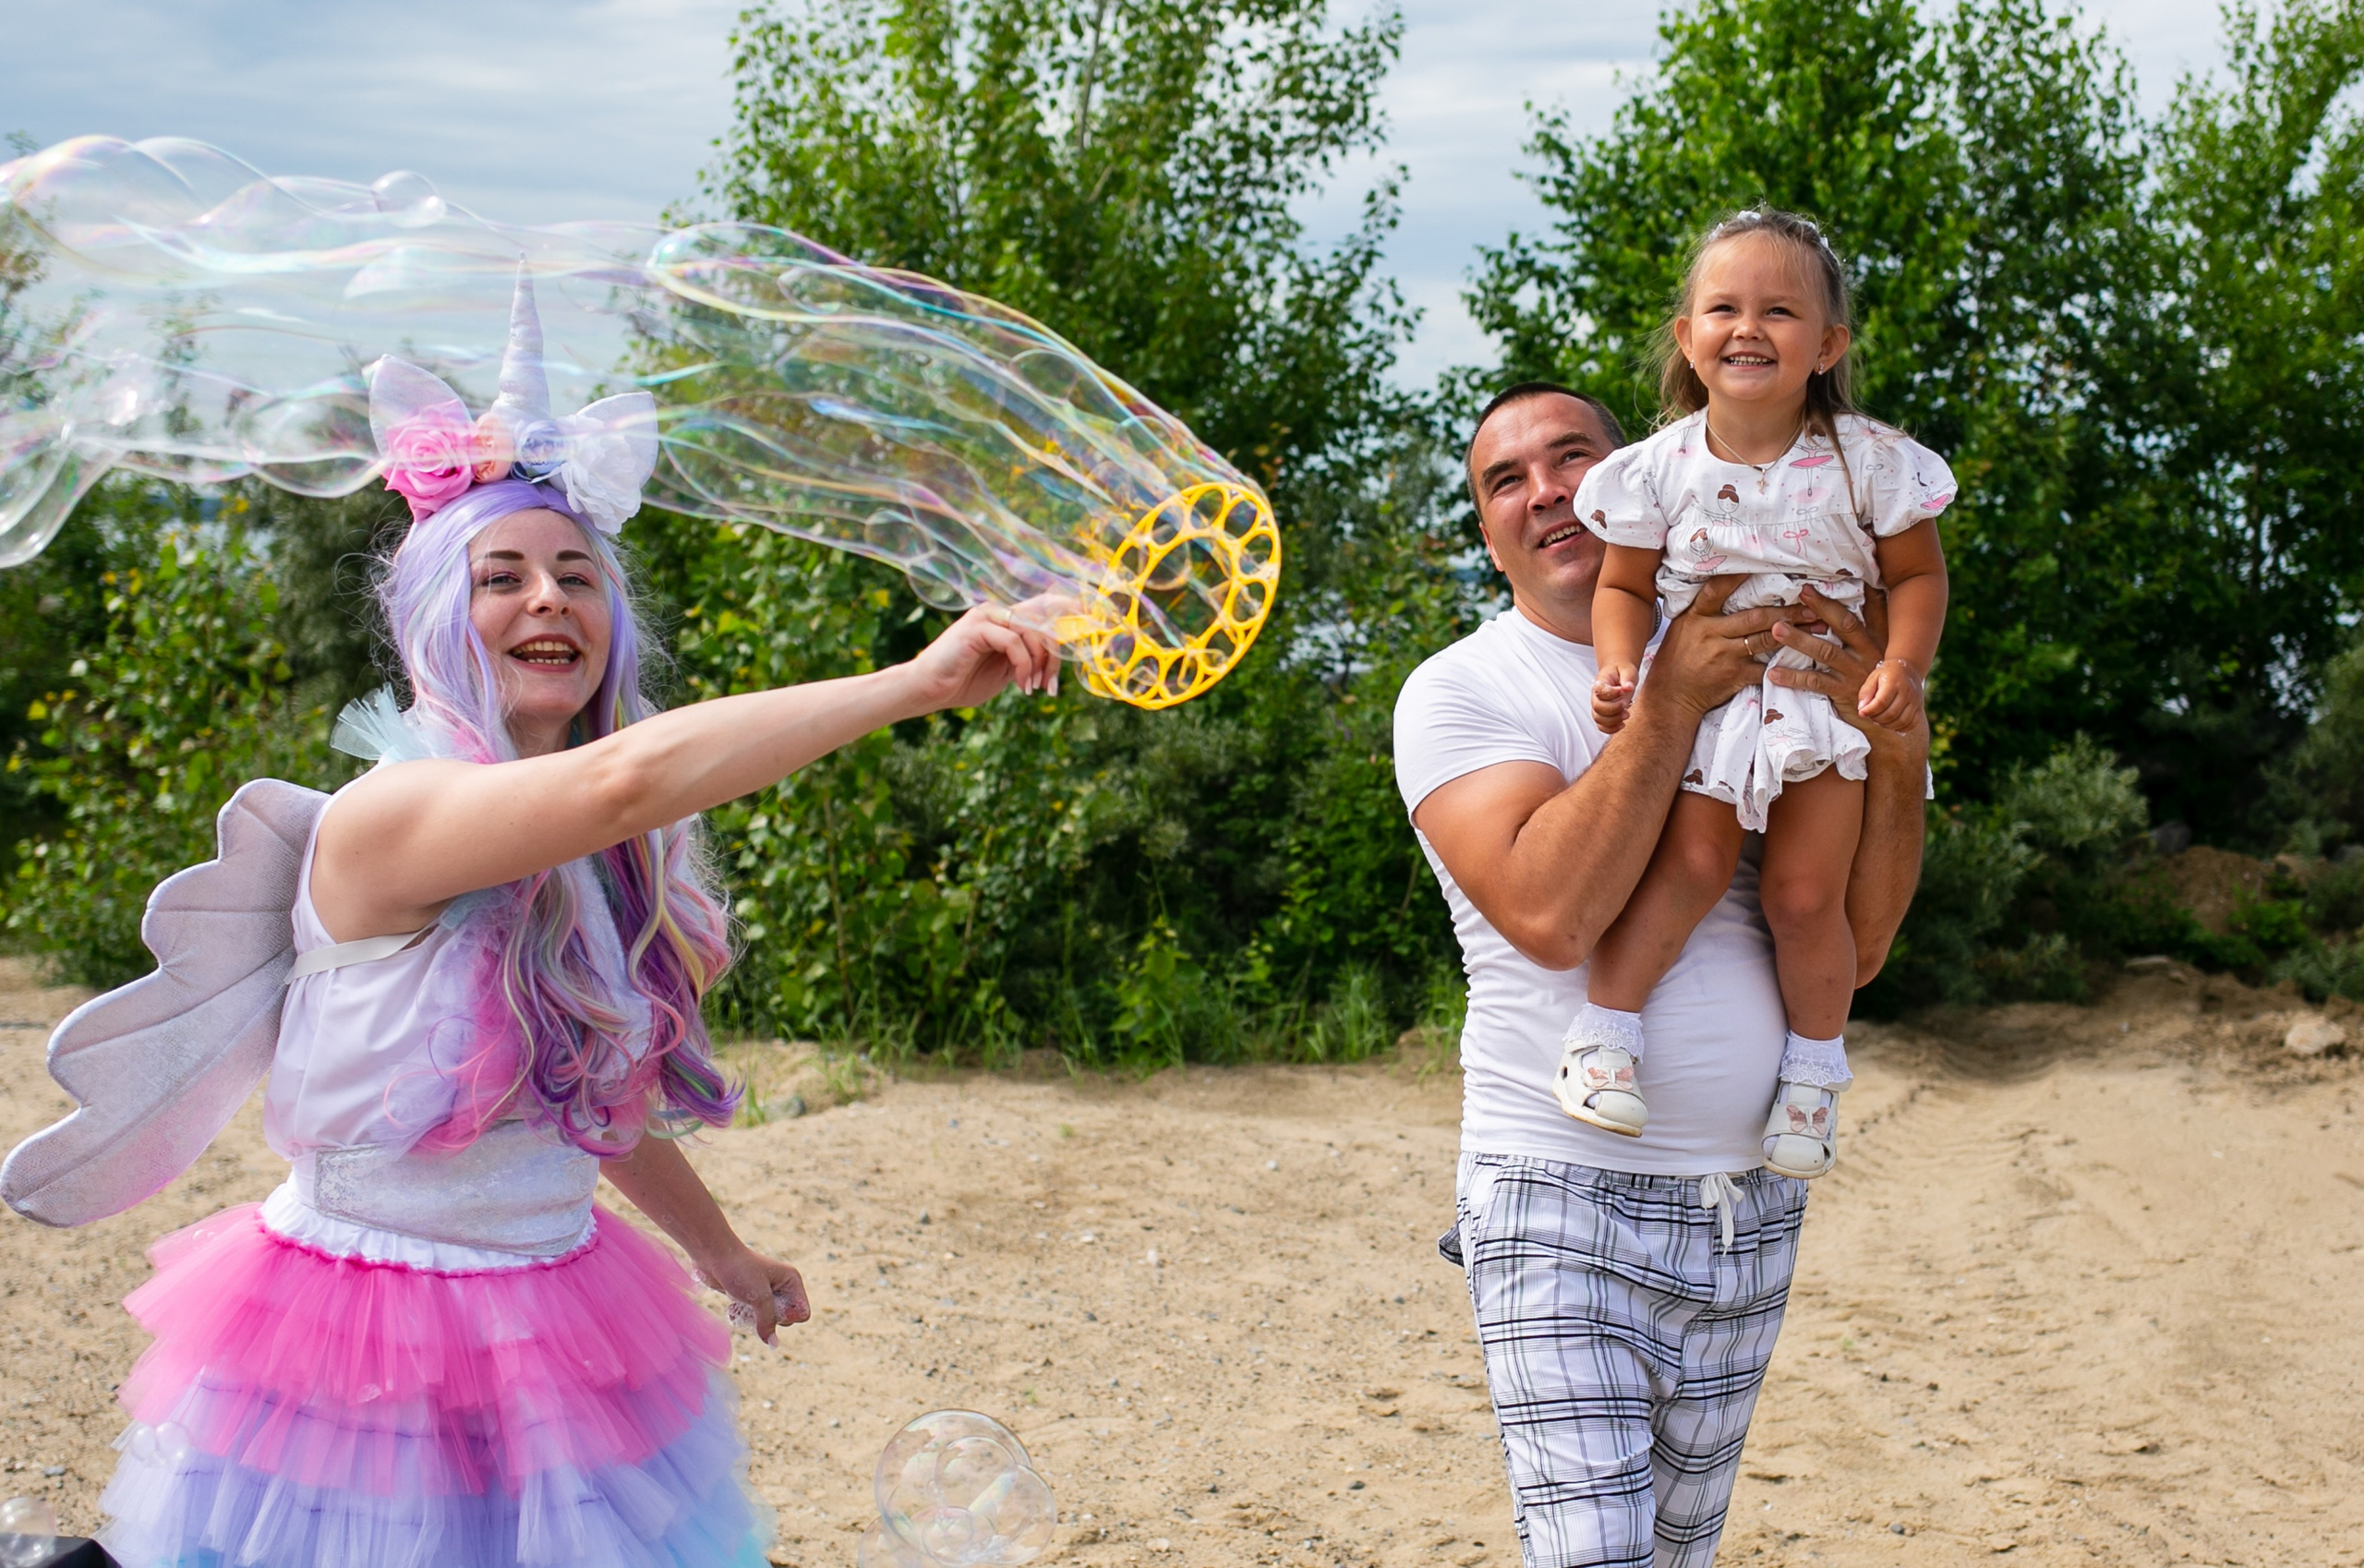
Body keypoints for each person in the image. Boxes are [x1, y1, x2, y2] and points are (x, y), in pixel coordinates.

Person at [68, 304, 1060, 1568]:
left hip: (551, 1305)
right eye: (505, 576)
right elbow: (624, 780)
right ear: (436, 612)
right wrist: (913, 685)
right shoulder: (397, 812)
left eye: (577, 573)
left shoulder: (589, 856)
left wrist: (715, 1245)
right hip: (366, 1328)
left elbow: (582, 1092)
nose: (549, 597)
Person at [1394, 382, 1927, 1566]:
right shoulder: (1461, 692)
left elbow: (1863, 937)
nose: (1542, 492)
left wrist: (1896, 742)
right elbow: (1547, 913)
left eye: (1568, 458)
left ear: (1631, 476)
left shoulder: (1784, 648)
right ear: (1487, 527)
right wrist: (1671, 700)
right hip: (1555, 1185)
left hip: (1748, 1205)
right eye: (1503, 479)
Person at [1561, 209, 1953, 1178]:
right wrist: (1618, 669)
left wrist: (1900, 668)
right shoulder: (1655, 470)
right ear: (1688, 338)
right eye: (1723, 308)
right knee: (1688, 867)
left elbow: (1917, 579)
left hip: (1824, 705)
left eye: (1779, 311)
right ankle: (1603, 1040)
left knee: (1806, 894)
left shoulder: (1869, 460)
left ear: (1825, 347)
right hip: (1711, 702)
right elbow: (1620, 585)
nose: (1748, 327)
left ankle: (1812, 1082)